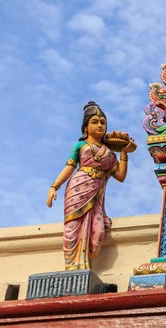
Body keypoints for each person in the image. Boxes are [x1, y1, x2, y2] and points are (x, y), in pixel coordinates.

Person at [46, 101, 134, 270]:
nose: (100, 125)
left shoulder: (109, 153)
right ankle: (71, 268)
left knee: (98, 232)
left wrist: (124, 153)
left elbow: (120, 176)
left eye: (103, 122)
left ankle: (87, 267)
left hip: (96, 194)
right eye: (95, 122)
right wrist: (54, 186)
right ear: (85, 127)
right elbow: (70, 167)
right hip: (77, 189)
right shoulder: (80, 146)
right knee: (72, 229)